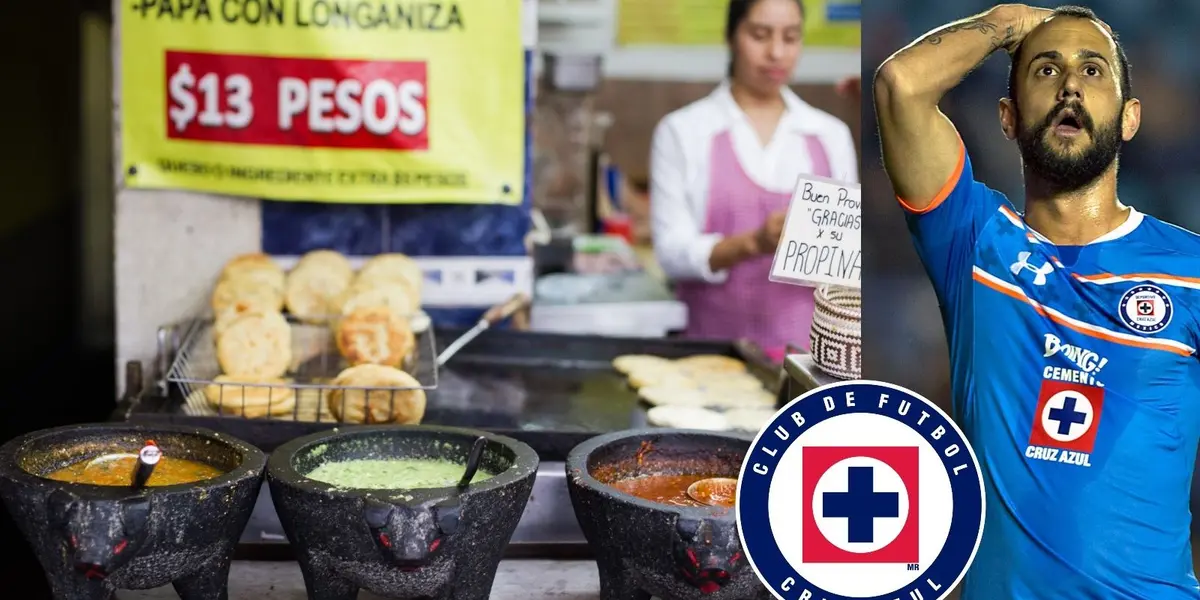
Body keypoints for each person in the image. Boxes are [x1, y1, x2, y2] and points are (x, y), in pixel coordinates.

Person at [876, 4, 1200, 599]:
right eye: (1046, 71)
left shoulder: (1192, 271)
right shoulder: (973, 240)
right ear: (1008, 118)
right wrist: (1006, 22)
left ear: (1129, 118)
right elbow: (901, 85)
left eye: (1094, 71)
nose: (1071, 84)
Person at [650, 0, 859, 360]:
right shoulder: (684, 131)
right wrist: (753, 242)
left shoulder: (829, 135)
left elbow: (848, 257)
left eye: (791, 37)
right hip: (710, 355)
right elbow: (671, 253)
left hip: (808, 359)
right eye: (760, 35)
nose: (776, 52)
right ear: (731, 37)